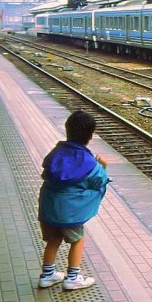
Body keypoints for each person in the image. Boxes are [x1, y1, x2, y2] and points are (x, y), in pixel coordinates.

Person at [37, 110, 109, 290]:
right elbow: (98, 181)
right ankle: (73, 278)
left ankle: (47, 276)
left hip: (49, 208)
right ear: (90, 136)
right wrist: (103, 167)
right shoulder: (89, 162)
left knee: (53, 241)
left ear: (67, 130)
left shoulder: (56, 153)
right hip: (70, 213)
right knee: (77, 240)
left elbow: (47, 171)